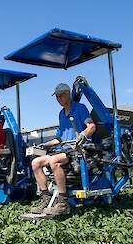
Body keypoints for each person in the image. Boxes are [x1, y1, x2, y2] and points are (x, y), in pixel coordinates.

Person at [29, 83, 96, 216]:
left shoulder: (80, 108)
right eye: (57, 96)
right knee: (36, 162)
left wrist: (83, 134)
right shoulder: (61, 113)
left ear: (68, 94)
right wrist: (46, 144)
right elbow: (60, 138)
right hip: (64, 149)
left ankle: (63, 202)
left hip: (78, 150)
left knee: (54, 160)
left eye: (61, 95)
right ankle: (45, 198)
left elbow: (92, 126)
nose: (58, 98)